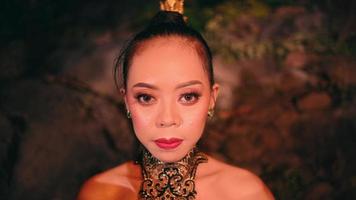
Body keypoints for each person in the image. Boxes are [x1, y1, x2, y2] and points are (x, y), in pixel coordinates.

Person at [78, 1, 274, 199]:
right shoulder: (100, 192)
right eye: (146, 97)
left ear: (212, 99)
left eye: (188, 97)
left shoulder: (246, 193)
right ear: (127, 101)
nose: (167, 119)